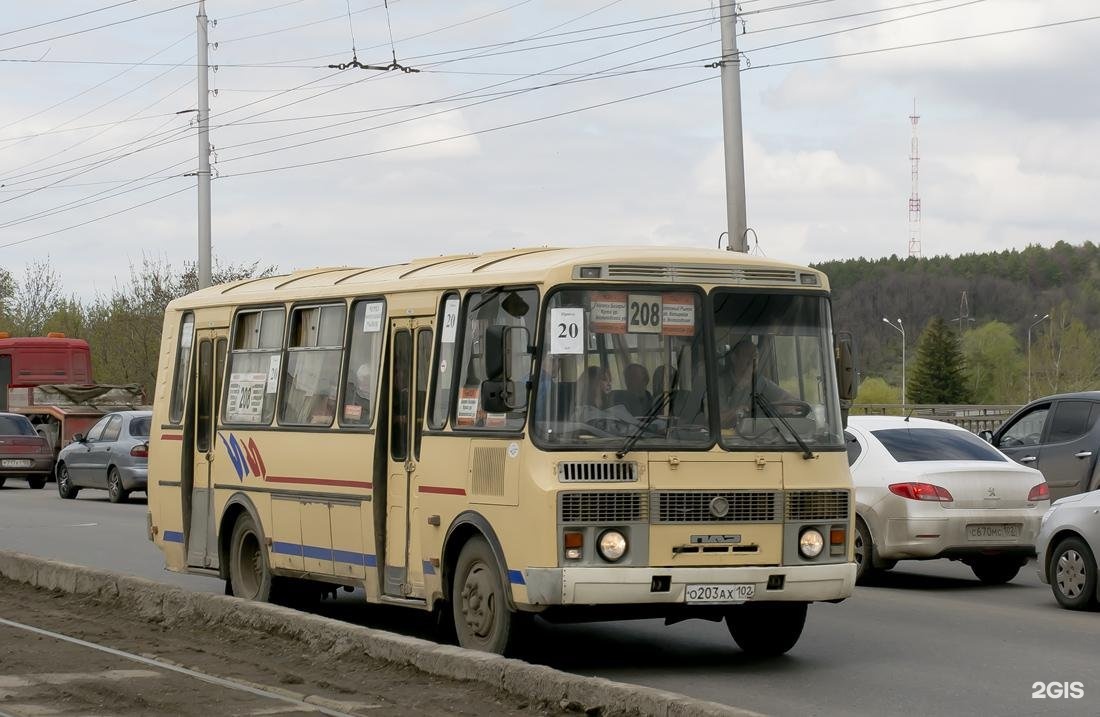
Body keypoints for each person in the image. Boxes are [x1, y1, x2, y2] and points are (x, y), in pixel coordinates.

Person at [718, 339, 794, 426]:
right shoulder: (719, 385)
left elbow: (787, 399)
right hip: (726, 437)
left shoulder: (761, 382)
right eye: (747, 355)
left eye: (756, 356)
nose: (753, 359)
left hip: (761, 436)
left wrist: (787, 405)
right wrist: (737, 412)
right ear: (734, 358)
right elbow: (716, 420)